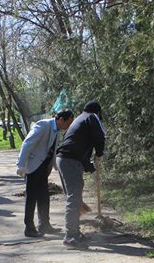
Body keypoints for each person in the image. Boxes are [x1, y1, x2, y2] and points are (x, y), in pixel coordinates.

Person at [55, 101, 105, 248]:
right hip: (69, 160)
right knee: (74, 197)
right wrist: (100, 153)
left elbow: (80, 151)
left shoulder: (79, 120)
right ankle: (70, 237)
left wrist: (92, 170)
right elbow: (100, 136)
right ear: (98, 112)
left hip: (65, 160)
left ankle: (75, 233)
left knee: (74, 196)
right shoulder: (91, 117)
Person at [16, 110, 74, 237]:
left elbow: (51, 149)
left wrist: (54, 164)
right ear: (61, 120)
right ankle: (29, 228)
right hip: (33, 166)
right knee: (31, 197)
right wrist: (20, 165)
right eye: (68, 123)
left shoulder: (56, 130)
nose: (68, 126)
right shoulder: (43, 125)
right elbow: (27, 143)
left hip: (43, 167)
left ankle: (44, 225)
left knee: (43, 196)